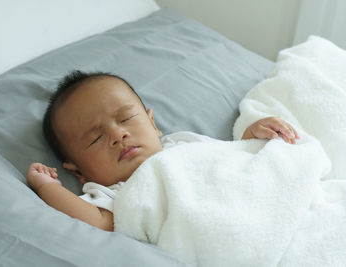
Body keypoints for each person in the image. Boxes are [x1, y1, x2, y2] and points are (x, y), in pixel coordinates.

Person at [27, 70, 299, 232]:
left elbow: (230, 157)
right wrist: (47, 188)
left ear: (153, 124)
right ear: (80, 173)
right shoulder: (115, 193)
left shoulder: (183, 144)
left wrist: (252, 134)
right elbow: (97, 222)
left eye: (125, 119)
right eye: (96, 138)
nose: (118, 135)